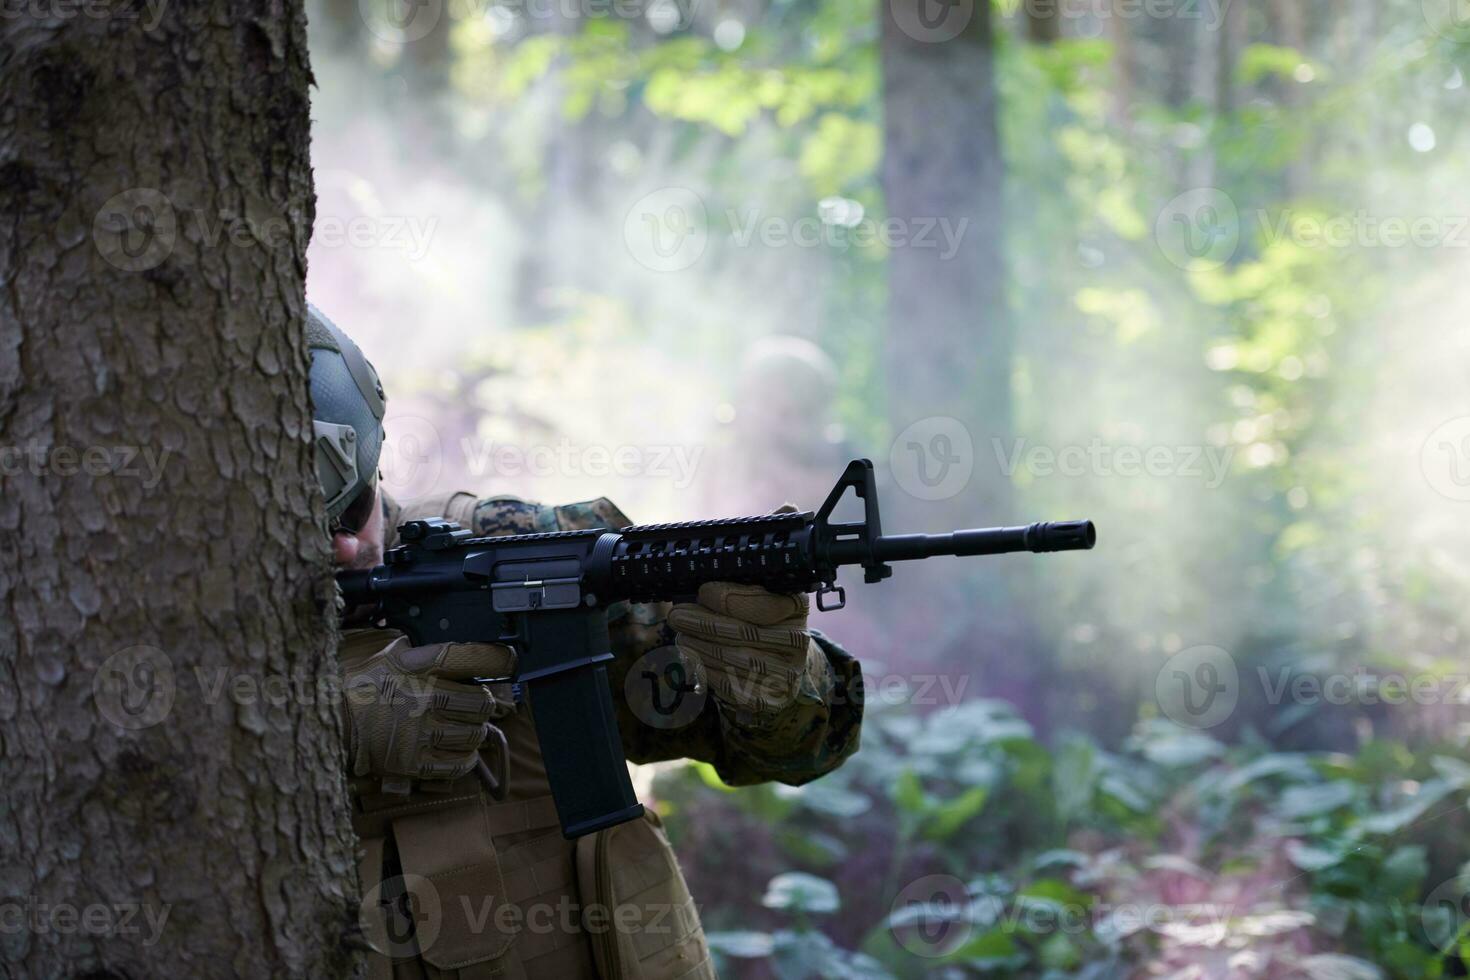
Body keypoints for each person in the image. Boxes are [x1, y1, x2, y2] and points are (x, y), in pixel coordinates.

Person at [307, 305, 864, 978]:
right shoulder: (192, 634)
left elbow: (803, 750)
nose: (342, 545)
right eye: (298, 527)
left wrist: (775, 678)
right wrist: (320, 736)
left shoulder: (511, 555)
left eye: (353, 508)